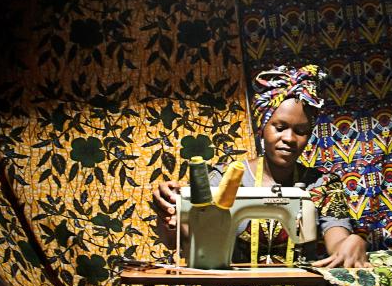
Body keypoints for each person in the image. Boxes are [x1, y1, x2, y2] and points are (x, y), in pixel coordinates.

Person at [151, 64, 371, 268]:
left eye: (301, 131)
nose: (290, 139)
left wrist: (352, 242)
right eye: (280, 127)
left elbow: (338, 239)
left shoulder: (323, 186)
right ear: (262, 128)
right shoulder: (222, 179)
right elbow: (182, 242)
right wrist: (170, 213)